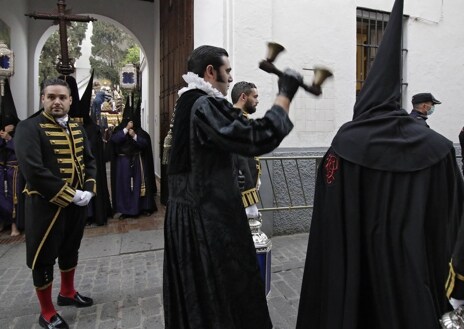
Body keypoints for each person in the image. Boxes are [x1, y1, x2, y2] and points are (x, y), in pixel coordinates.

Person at [296, 0, 464, 328]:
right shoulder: (439, 149)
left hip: (355, 278)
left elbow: (328, 226)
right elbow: (450, 221)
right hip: (414, 279)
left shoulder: (343, 144)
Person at [163, 44, 302, 329]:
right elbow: (255, 137)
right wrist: (285, 95)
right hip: (205, 223)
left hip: (186, 218)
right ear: (210, 72)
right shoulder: (203, 104)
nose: (230, 78)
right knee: (223, 298)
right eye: (227, 71)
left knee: (199, 300)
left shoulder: (187, 102)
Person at [15, 78, 97, 329]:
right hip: (45, 206)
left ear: (71, 100)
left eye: (62, 97)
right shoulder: (29, 128)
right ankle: (47, 311)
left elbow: (89, 160)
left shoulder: (76, 128)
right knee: (43, 258)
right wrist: (70, 195)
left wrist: (89, 191)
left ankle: (68, 293)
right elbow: (34, 171)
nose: (57, 102)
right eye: (51, 97)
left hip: (76, 206)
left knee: (70, 248)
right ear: (43, 99)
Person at [109, 96, 154, 218]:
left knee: (138, 186)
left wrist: (134, 136)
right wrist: (126, 130)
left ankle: (137, 209)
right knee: (124, 186)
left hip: (136, 160)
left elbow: (144, 144)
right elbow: (114, 140)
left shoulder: (140, 131)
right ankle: (125, 210)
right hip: (122, 161)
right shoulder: (119, 129)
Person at [230, 81, 262, 218]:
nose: (257, 101)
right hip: (240, 191)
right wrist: (250, 200)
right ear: (243, 97)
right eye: (254, 97)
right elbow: (241, 160)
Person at [0, 79, 23, 236]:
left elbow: (21, 149)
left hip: (14, 170)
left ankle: (15, 225)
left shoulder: (20, 131)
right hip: (2, 169)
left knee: (14, 198)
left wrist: (9, 139)